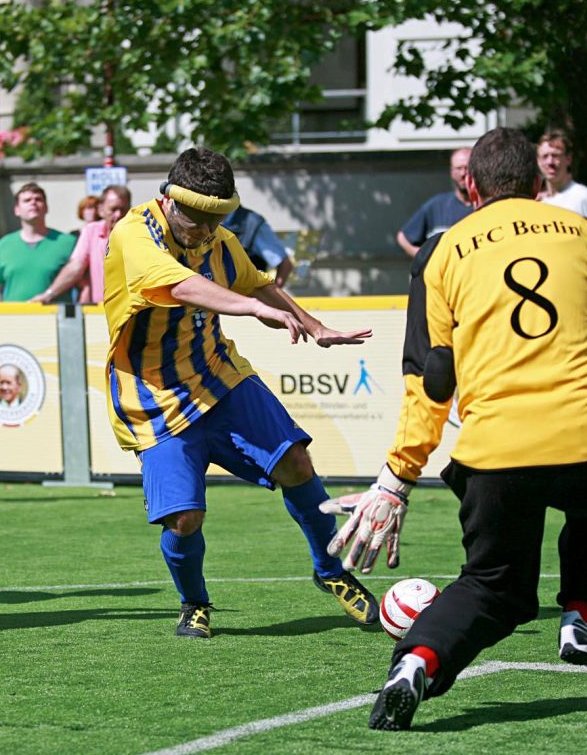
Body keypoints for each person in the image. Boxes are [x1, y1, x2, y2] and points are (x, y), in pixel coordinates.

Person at [321, 127, 587, 731]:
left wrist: (396, 479)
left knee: (494, 586)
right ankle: (583, 614)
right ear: (539, 184)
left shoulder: (440, 251)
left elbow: (430, 381)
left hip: (496, 454)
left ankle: (416, 663)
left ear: (470, 187)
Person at [102, 146, 380, 638]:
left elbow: (257, 282)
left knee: (296, 461)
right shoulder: (133, 235)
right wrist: (251, 311)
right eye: (198, 220)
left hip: (219, 375)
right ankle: (194, 603)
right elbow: (183, 286)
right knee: (185, 519)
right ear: (168, 200)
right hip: (155, 397)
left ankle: (331, 571)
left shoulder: (218, 239)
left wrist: (314, 326)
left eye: (218, 219)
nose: (207, 231)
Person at [30, 184, 131, 304]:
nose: (119, 215)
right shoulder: (91, 231)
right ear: (101, 210)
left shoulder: (140, 233)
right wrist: (48, 294)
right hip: (101, 312)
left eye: (123, 210)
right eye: (113, 209)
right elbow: (76, 266)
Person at [0, 182, 76, 301]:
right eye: (27, 200)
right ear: (17, 210)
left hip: (54, 316)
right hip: (15, 317)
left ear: (46, 207)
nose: (33, 203)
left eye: (38, 199)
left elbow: (83, 284)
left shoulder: (67, 243)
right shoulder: (4, 244)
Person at [536, 129, 587, 246]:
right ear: (538, 161)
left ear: (568, 159)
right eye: (545, 156)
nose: (550, 162)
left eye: (556, 155)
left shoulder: (585, 198)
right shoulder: (537, 202)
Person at [396, 147, 472, 257]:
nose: (463, 173)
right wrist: (424, 260)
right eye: (458, 168)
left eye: (467, 168)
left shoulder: (486, 207)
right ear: (451, 172)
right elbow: (403, 237)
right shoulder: (437, 205)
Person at [221, 205, 295, 288]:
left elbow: (285, 264)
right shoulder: (206, 221)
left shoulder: (252, 223)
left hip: (243, 297)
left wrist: (271, 296)